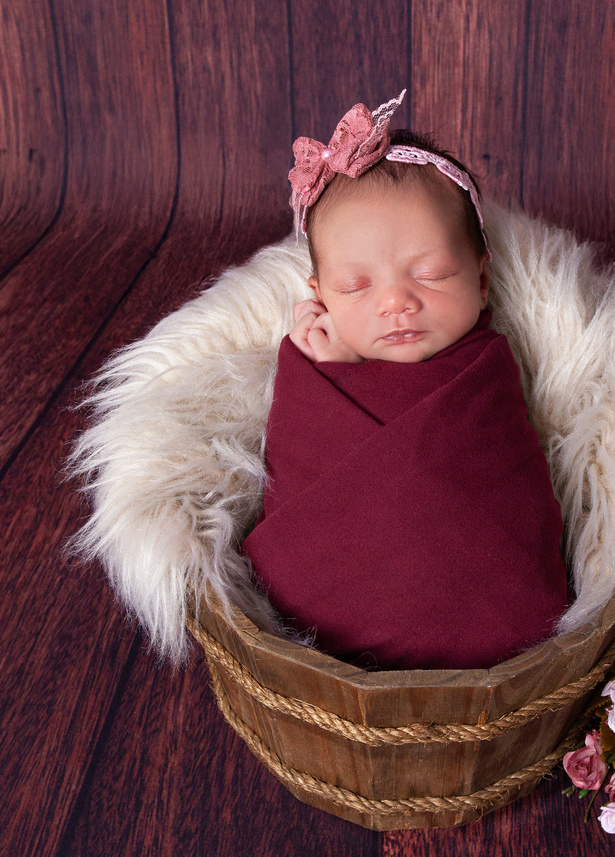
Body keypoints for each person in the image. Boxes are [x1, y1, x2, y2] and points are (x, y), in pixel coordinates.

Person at [242, 91, 569, 670]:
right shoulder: (315, 367)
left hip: (500, 617)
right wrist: (331, 371)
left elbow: (507, 492)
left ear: (483, 280)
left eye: (432, 274)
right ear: (319, 297)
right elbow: (298, 460)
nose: (396, 302)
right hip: (329, 616)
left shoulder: (487, 371)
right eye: (356, 287)